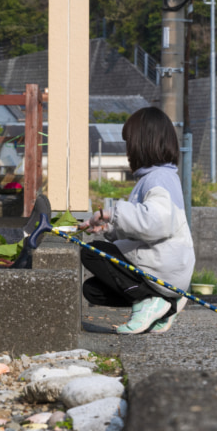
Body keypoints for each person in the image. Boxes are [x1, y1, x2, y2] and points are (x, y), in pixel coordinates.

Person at [77, 107, 194, 334]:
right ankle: (166, 307)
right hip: (166, 268)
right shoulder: (159, 176)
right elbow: (143, 224)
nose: (128, 149)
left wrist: (112, 213)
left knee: (92, 252)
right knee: (92, 290)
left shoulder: (158, 178)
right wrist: (110, 227)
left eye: (129, 142)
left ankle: (149, 301)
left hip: (162, 267)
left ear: (143, 143)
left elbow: (156, 222)